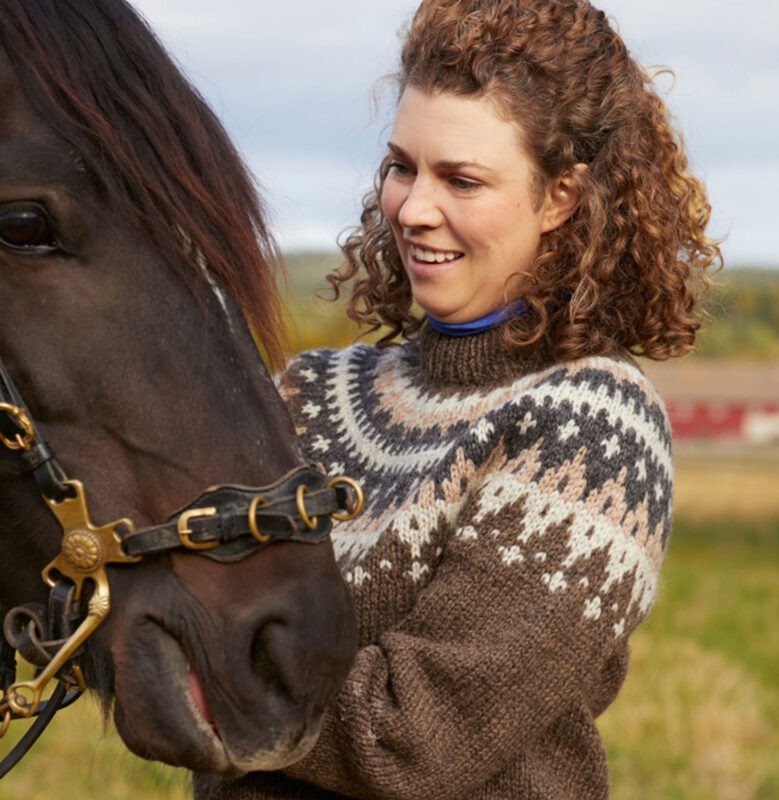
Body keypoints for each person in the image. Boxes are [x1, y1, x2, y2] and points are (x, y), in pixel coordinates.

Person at [195, 0, 720, 797]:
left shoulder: (596, 429)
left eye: (461, 179)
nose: (412, 209)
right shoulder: (309, 391)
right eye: (402, 166)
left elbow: (411, 739)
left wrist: (197, 680)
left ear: (561, 198)